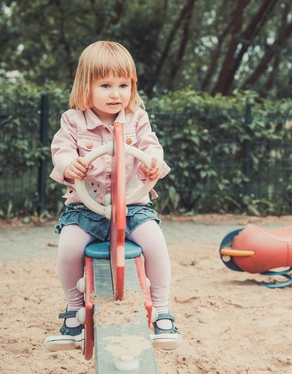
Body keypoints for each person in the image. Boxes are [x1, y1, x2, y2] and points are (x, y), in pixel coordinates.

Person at [45, 41, 182, 351]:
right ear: (86, 85)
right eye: (105, 85)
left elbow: (151, 147)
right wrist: (70, 164)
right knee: (68, 248)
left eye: (123, 85)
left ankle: (162, 312)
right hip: (85, 209)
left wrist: (154, 164)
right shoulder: (73, 120)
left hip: (133, 206)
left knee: (155, 244)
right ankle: (72, 313)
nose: (115, 93)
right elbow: (61, 150)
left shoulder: (136, 118)